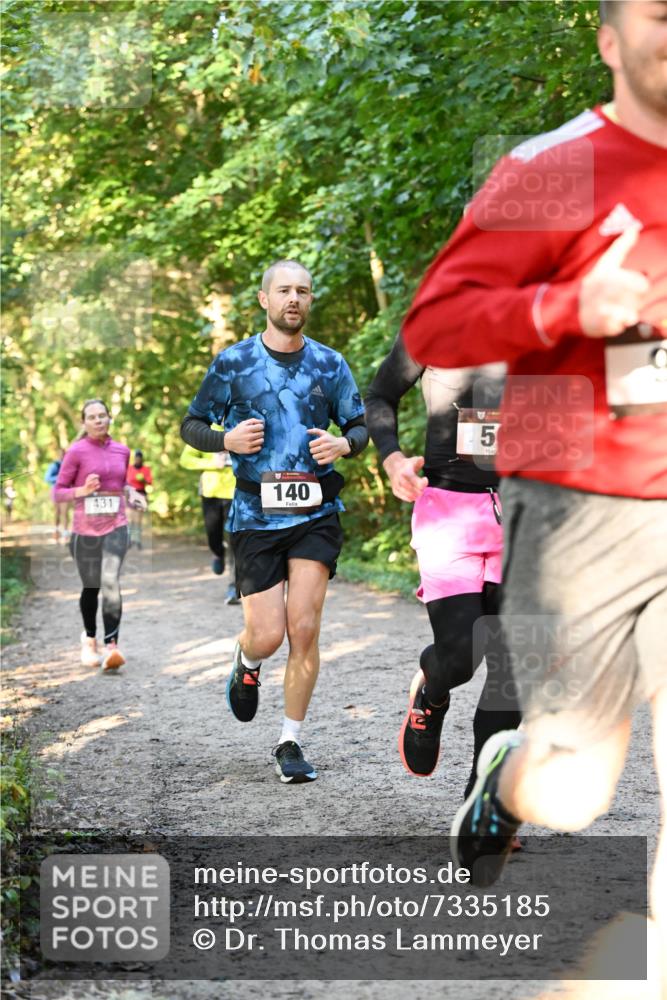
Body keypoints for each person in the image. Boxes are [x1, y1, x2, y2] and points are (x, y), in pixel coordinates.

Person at [401, 0, 667, 980]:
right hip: (579, 498)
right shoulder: (557, 167)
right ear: (609, 41)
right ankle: (507, 782)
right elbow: (435, 327)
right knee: (573, 790)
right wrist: (565, 306)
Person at [181, 259, 368, 783]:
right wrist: (225, 439)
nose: (293, 299)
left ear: (310, 300)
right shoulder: (234, 362)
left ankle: (290, 741)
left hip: (315, 514)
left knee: (303, 629)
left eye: (302, 291)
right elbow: (191, 424)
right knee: (267, 636)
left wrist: (344, 444)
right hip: (255, 515)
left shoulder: (330, 363)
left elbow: (359, 425)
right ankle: (248, 661)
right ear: (264, 299)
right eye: (284, 290)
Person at [365, 334, 521, 799]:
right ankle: (432, 691)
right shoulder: (436, 324)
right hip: (450, 511)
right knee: (461, 656)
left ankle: (482, 804)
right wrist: (393, 459)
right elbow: (380, 394)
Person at [54, 399, 147, 671]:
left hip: (116, 525)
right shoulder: (75, 452)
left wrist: (132, 493)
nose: (98, 420)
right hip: (84, 530)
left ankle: (112, 646)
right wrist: (82, 491)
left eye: (102, 415)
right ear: (84, 422)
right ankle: (90, 640)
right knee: (91, 587)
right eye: (92, 417)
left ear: (109, 418)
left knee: (110, 581)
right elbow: (58, 492)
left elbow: (122, 484)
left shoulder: (122, 450)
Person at [179, 430, 240, 604]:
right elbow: (186, 459)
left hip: (237, 492)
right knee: (213, 535)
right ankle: (217, 552)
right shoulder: (206, 429)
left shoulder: (240, 425)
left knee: (235, 540)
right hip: (210, 492)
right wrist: (212, 462)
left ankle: (233, 587)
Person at [125, 449, 152, 549]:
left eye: (139, 458)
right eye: (136, 458)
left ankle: (138, 540)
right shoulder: (129, 468)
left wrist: (143, 479)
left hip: (141, 494)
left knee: (138, 520)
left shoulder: (146, 469)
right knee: (129, 519)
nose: (138, 460)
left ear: (141, 459)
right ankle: (129, 540)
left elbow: (149, 482)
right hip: (131, 494)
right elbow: (125, 481)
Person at [44, 449, 71, 541]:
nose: (62, 456)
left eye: (64, 454)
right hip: (56, 490)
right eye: (61, 454)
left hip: (66, 490)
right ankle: (56, 531)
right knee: (57, 512)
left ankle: (65, 533)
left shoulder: (69, 465)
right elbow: (47, 478)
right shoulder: (54, 465)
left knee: (65, 512)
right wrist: (59, 478)